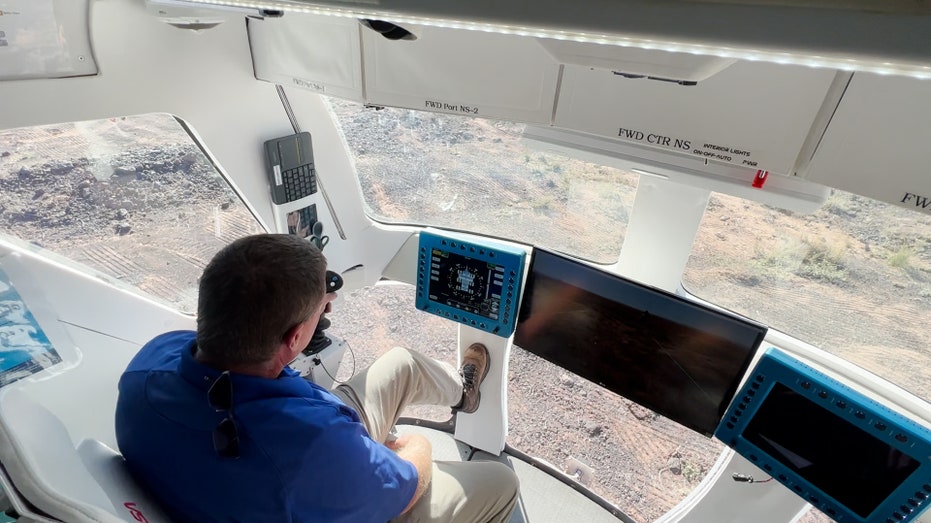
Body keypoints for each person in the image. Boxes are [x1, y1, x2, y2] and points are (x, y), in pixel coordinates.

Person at [115, 233, 520, 523]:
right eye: (318, 313)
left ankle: (462, 394)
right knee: (499, 481)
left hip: (263, 461)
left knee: (401, 364)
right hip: (307, 467)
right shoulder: (312, 452)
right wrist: (413, 446)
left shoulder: (147, 366)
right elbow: (406, 487)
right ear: (294, 339)